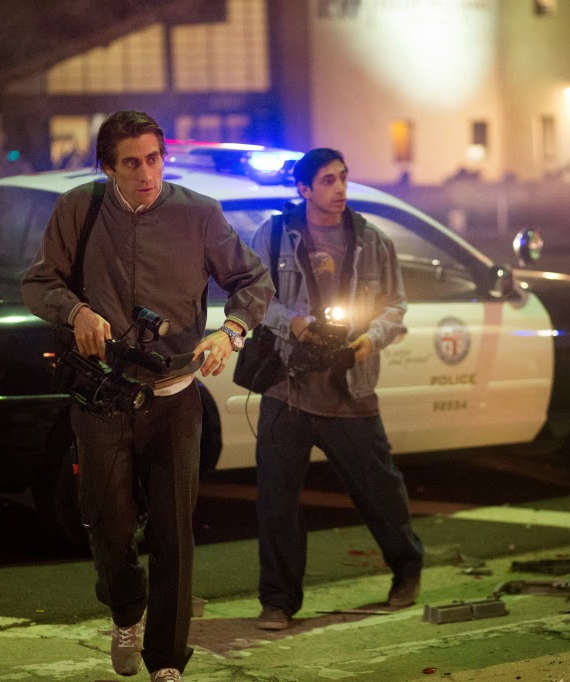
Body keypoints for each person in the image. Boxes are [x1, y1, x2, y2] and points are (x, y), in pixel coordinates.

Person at [21, 111, 274, 682]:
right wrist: (76, 311)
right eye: (131, 163)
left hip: (175, 395)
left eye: (154, 159)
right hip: (102, 397)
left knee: (173, 534)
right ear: (108, 167)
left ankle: (167, 660)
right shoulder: (79, 209)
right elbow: (38, 282)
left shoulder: (199, 213)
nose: (146, 174)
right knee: (105, 522)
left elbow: (253, 280)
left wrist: (230, 331)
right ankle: (124, 608)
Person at [248, 148, 424, 631]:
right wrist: (295, 324)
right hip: (287, 386)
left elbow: (395, 307)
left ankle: (407, 568)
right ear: (304, 189)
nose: (340, 188)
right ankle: (278, 601)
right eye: (327, 180)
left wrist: (367, 343)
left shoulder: (373, 240)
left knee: (380, 491)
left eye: (343, 177)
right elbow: (254, 297)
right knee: (277, 502)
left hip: (351, 387)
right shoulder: (274, 235)